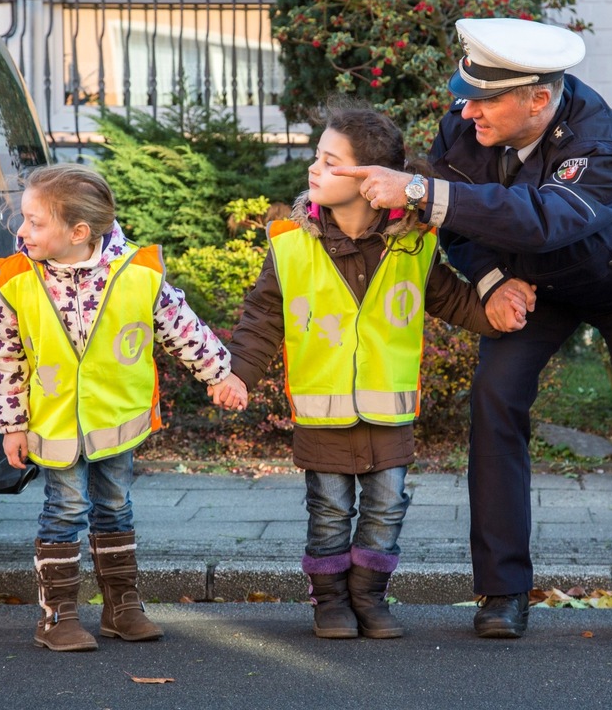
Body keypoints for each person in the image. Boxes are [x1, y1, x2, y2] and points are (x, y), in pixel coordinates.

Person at [336, 18, 612, 641]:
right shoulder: (465, 127)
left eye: (484, 98)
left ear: (538, 98)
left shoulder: (604, 145)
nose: (466, 108)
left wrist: (423, 190)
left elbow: (544, 220)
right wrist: (490, 280)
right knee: (495, 397)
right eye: (466, 93)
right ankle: (502, 590)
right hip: (535, 286)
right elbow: (457, 227)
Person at [209, 104, 517, 640]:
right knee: (328, 510)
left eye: (330, 162)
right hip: (322, 412)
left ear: (369, 180)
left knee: (387, 506)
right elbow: (262, 318)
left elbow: (448, 298)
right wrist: (236, 374)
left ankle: (369, 598)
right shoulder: (290, 244)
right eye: (316, 157)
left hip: (387, 412)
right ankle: (330, 603)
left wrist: (493, 311)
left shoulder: (413, 244)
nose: (314, 169)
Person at [0, 163, 247, 653]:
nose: (21, 230)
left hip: (115, 422)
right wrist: (11, 424)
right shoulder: (17, 278)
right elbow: (1, 354)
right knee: (66, 509)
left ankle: (122, 606)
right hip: (54, 424)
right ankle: (57, 615)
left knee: (114, 507)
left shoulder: (138, 272)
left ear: (78, 232)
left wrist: (221, 373)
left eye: (35, 222)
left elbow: (180, 326)